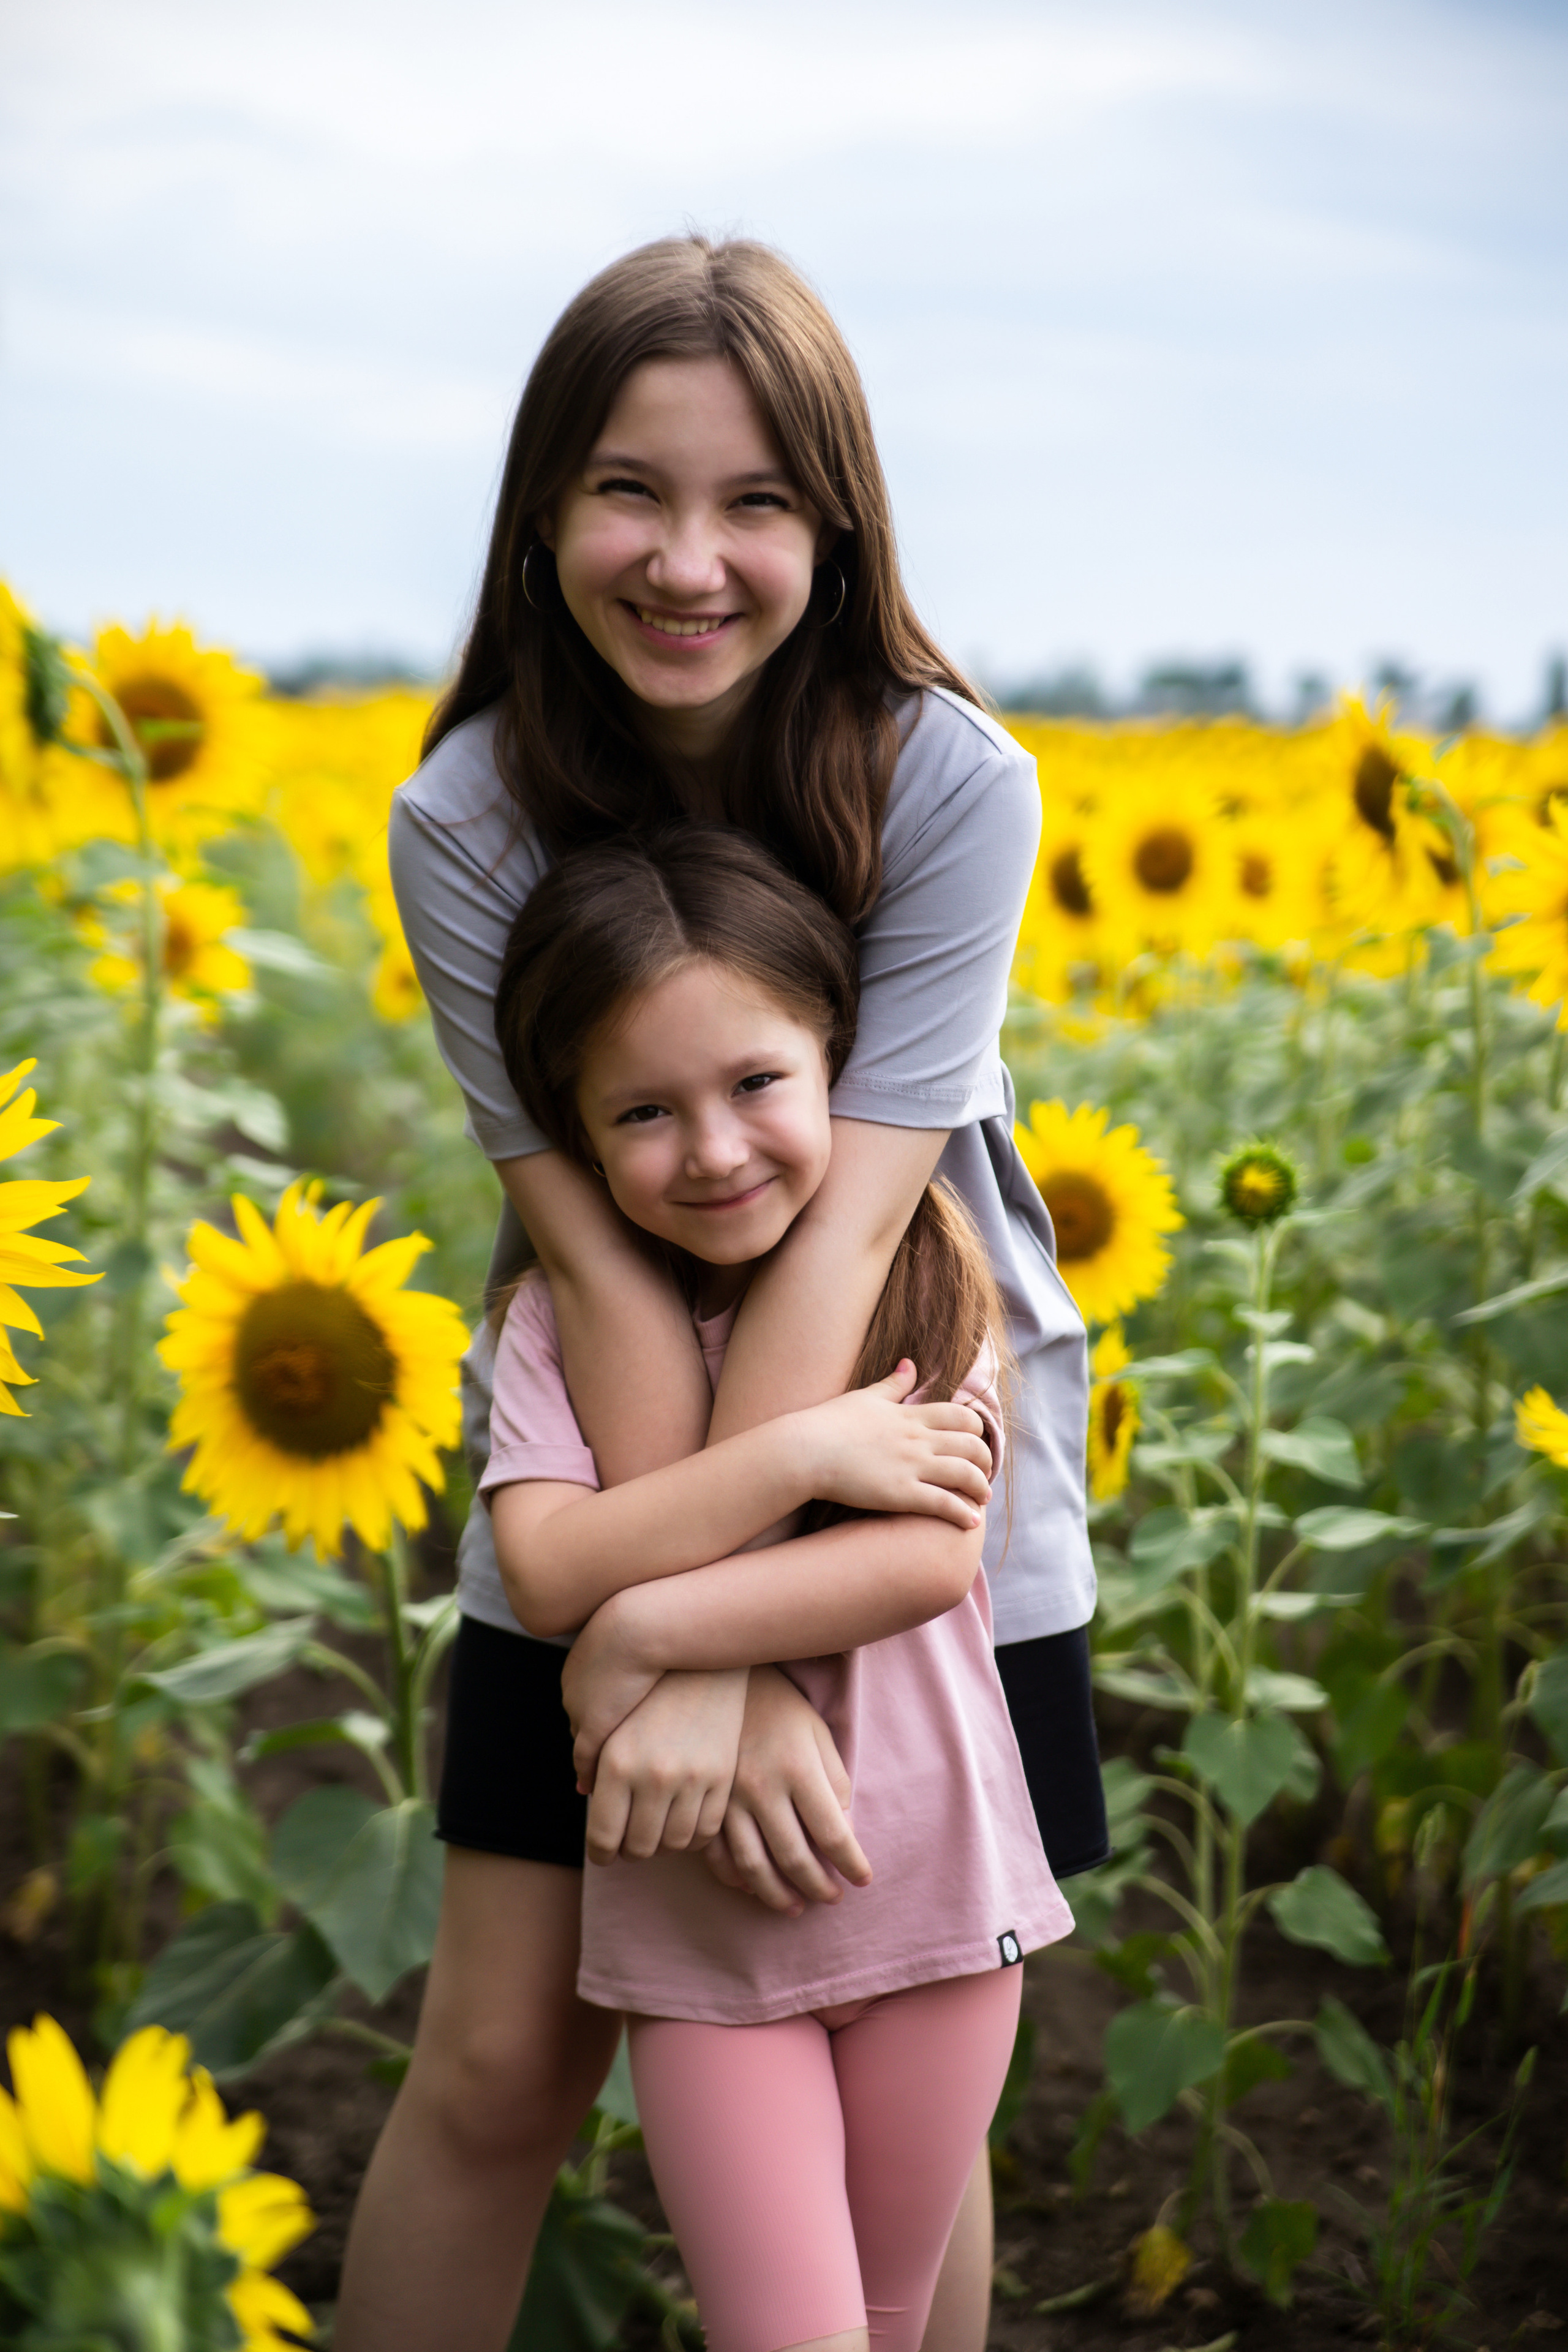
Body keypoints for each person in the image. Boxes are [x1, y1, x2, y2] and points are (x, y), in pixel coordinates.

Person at [336, 232, 1106, 2352]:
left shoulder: (951, 782)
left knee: (904, 2043)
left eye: (757, 500)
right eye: (630, 491)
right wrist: (682, 1642)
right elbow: (589, 1237)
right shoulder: (469, 815)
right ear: (541, 513)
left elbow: (852, 1228)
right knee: (499, 2063)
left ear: (837, 530)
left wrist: (703, 1641)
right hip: (601, 1439)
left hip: (918, 1427)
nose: (689, 560)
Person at [484, 824, 1075, 2352]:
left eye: (754, 1082)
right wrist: (800, 1450)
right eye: (642, 1111)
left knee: (889, 2319)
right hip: (702, 1945)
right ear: (575, 1134)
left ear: (836, 1060)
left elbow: (922, 1556)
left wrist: (642, 1630)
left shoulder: (919, 1264)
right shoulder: (553, 1324)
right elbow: (543, 1567)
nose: (714, 1149)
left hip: (935, 1908)